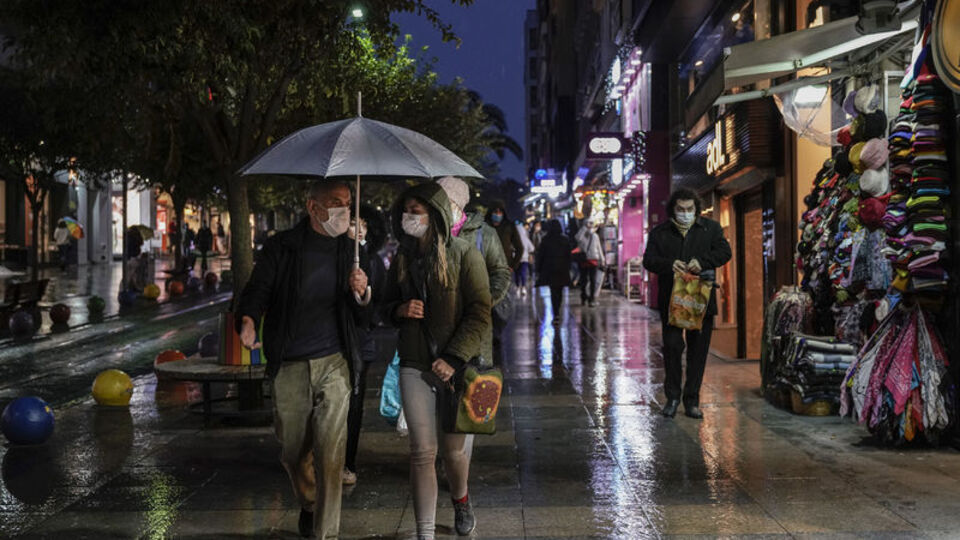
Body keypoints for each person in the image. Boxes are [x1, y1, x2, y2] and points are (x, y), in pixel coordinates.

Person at [235, 180, 370, 539]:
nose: (345, 209)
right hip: (291, 362)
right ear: (313, 207)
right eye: (336, 202)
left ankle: (326, 533)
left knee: (330, 454)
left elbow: (368, 309)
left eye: (347, 202)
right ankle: (308, 503)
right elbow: (258, 289)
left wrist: (363, 290)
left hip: (335, 361)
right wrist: (248, 320)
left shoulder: (351, 250)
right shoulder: (283, 247)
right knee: (293, 452)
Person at [382, 183, 491, 540]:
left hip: (457, 370)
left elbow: (479, 312)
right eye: (406, 211)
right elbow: (383, 309)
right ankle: (425, 532)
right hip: (414, 366)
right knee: (422, 451)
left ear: (437, 215)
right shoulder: (401, 258)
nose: (409, 217)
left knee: (454, 453)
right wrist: (399, 309)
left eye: (417, 211)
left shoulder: (464, 254)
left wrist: (453, 356)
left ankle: (461, 499)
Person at [642, 188, 731, 420]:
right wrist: (670, 264)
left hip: (701, 302)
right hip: (672, 301)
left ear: (696, 209)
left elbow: (725, 251)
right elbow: (648, 260)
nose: (684, 213)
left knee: (698, 352)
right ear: (673, 209)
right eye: (680, 209)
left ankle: (692, 401)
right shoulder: (660, 232)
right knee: (672, 348)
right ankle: (672, 398)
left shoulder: (710, 229)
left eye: (689, 209)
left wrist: (702, 262)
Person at [343, 205, 389, 487]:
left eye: (363, 224)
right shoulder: (332, 257)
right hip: (332, 340)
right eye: (352, 222)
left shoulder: (372, 262)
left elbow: (377, 307)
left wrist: (364, 295)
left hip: (360, 343)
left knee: (353, 405)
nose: (358, 228)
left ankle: (347, 462)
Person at [436, 176, 511, 326]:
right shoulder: (432, 232)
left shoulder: (484, 233)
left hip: (473, 321)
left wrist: (486, 301)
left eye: (445, 203)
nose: (439, 208)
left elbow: (500, 272)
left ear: (458, 204)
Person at [485, 201, 522, 363]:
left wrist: (512, 266)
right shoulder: (484, 227)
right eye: (495, 211)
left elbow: (520, 248)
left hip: (504, 270)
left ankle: (498, 331)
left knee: (504, 304)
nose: (497, 214)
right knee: (489, 303)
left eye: (500, 211)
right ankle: (491, 333)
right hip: (486, 270)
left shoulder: (509, 227)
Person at [535, 219, 572, 325]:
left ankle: (555, 313)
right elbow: (568, 256)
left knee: (553, 291)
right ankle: (557, 312)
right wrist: (568, 267)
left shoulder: (546, 240)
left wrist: (538, 269)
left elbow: (540, 256)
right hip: (562, 269)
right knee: (559, 291)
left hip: (550, 269)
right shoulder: (565, 240)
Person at [575, 220, 605, 307]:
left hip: (593, 260)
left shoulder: (595, 236)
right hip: (584, 260)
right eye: (588, 224)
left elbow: (598, 248)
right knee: (584, 280)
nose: (590, 225)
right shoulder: (581, 235)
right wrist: (584, 228)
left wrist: (602, 259)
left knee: (593, 280)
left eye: (591, 224)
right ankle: (584, 296)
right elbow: (577, 238)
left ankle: (592, 299)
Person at [514, 221, 535, 296]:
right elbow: (532, 248)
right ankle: (523, 287)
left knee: (516, 273)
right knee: (523, 273)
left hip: (516, 259)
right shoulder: (526, 239)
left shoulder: (514, 240)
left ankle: (517, 286)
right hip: (525, 259)